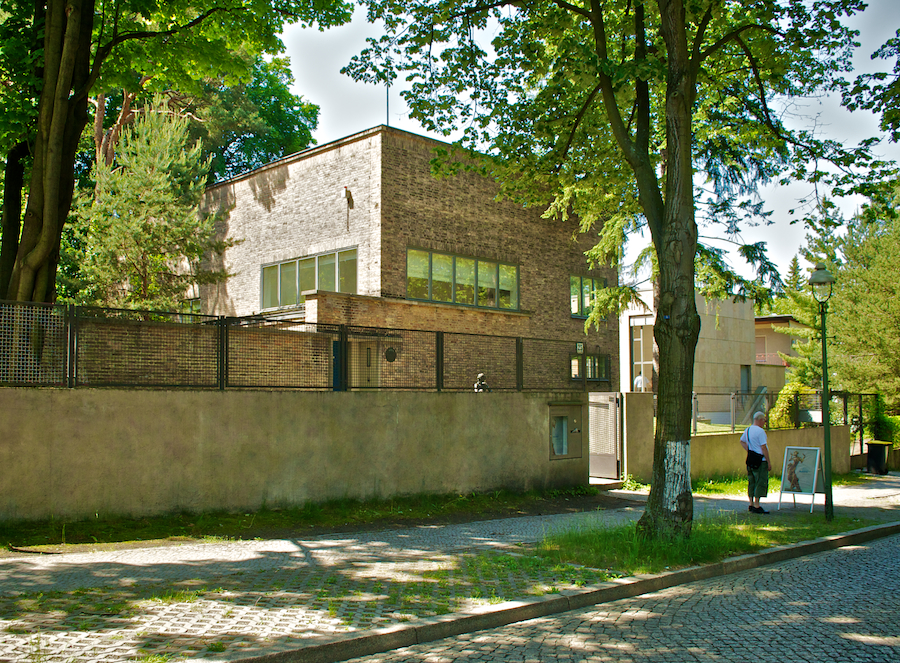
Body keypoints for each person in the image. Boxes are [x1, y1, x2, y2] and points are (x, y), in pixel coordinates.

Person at [740, 411, 772, 513]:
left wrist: (749, 450)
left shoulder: (748, 430)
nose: (764, 422)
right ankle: (757, 505)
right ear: (760, 420)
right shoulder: (760, 431)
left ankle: (751, 503)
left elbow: (742, 441)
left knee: (751, 481)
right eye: (764, 420)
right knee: (760, 481)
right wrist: (768, 461)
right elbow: (763, 447)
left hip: (751, 458)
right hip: (760, 460)